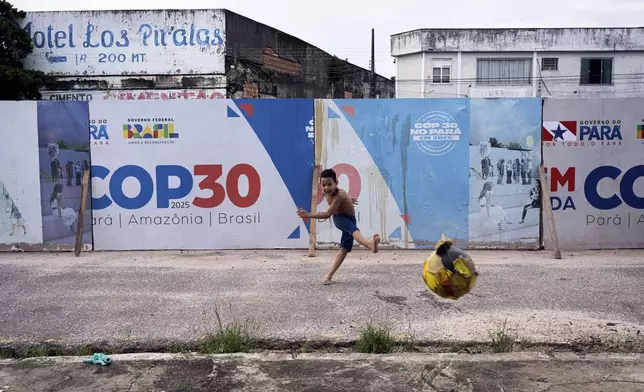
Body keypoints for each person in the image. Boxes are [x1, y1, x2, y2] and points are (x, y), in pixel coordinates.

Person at [297, 169, 380, 285]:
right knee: (353, 230)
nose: (326, 188)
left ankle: (329, 276)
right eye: (324, 185)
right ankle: (371, 244)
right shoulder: (328, 192)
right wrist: (308, 215)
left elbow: (337, 200)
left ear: (336, 183)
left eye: (330, 184)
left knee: (344, 249)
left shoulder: (340, 194)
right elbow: (328, 214)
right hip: (339, 219)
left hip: (350, 218)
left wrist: (347, 199)